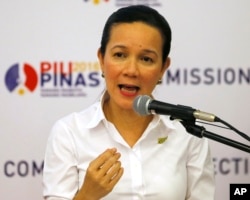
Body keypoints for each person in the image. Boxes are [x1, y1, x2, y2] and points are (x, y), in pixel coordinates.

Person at [43, 5, 215, 200]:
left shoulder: (187, 133)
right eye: (120, 55)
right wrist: (87, 196)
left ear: (163, 68)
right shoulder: (69, 133)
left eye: (146, 59)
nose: (131, 70)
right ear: (101, 58)